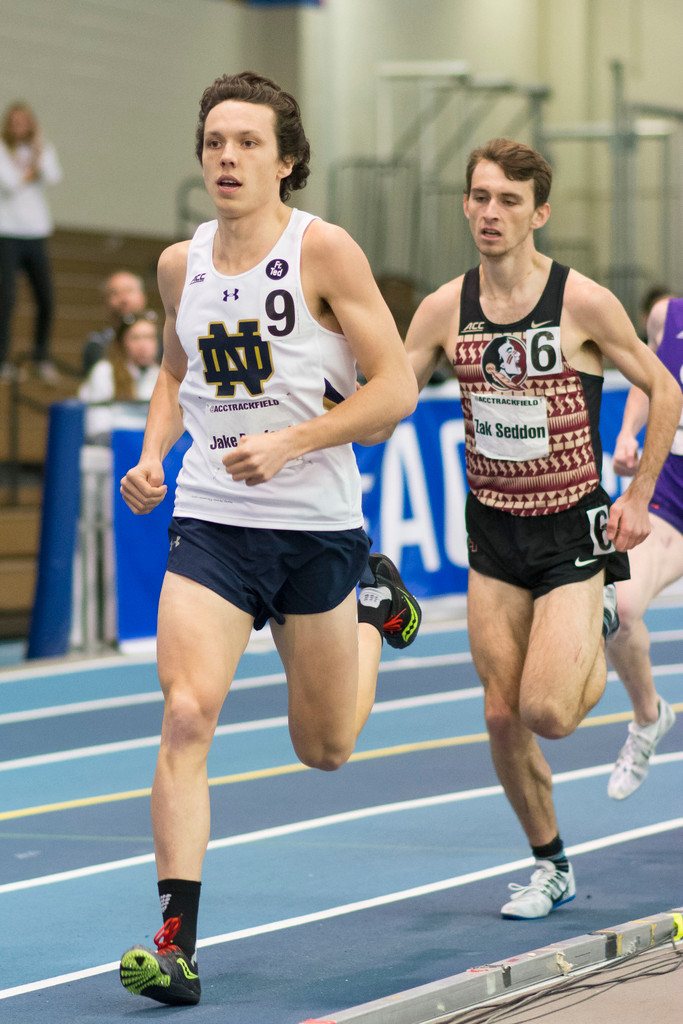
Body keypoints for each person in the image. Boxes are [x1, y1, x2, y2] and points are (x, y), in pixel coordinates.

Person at [117, 71, 420, 1006]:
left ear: (286, 160)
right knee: (184, 714)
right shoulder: (182, 264)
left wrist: (293, 439)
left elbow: (396, 388)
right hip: (210, 521)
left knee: (323, 748)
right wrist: (153, 452)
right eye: (214, 141)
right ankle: (174, 943)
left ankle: (373, 607)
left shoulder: (323, 250)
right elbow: (175, 370)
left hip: (315, 529)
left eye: (247, 142)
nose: (226, 157)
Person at [402, 138, 682, 921]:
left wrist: (639, 494)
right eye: (480, 197)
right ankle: (550, 863)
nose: (490, 213)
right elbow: (387, 392)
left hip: (569, 533)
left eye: (508, 201)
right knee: (499, 714)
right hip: (491, 536)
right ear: (465, 203)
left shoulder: (581, 301)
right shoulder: (441, 308)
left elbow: (664, 391)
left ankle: (595, 623)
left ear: (539, 213)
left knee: (547, 714)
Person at [605, 295, 683, 798]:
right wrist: (630, 433)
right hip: (671, 502)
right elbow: (648, 378)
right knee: (620, 606)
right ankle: (648, 717)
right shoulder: (667, 316)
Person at [0, 101, 62, 382]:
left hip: (36, 232)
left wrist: (37, 156)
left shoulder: (42, 149)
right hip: (7, 232)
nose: (19, 126)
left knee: (46, 299)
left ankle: (41, 358)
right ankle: (3, 361)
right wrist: (31, 170)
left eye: (24, 121)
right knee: (6, 300)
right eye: (14, 121)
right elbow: (10, 184)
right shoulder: (2, 149)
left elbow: (54, 175)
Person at [78, 309, 161, 441]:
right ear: (122, 343)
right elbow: (97, 426)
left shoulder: (163, 376)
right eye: (135, 338)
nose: (143, 345)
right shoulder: (104, 372)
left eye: (149, 338)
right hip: (113, 449)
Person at [81, 270, 148, 374]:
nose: (124, 299)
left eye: (129, 291)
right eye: (115, 293)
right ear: (105, 302)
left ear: (143, 296)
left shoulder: (163, 341)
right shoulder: (97, 344)